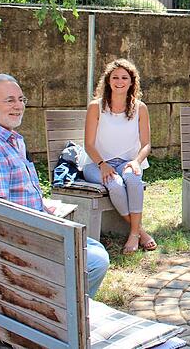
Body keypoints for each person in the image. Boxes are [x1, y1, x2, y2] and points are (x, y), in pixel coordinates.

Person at [0, 74, 109, 297]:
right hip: (12, 247)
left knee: (94, 248)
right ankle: (56, 320)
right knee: (95, 261)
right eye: (9, 100)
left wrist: (41, 209)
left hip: (24, 228)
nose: (18, 106)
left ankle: (61, 314)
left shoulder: (1, 136)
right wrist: (45, 226)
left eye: (21, 99)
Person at [83, 59, 155, 254]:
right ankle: (139, 232)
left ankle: (133, 235)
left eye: (125, 77)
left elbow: (146, 144)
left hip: (127, 162)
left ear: (132, 82)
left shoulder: (140, 108)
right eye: (115, 77)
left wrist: (136, 161)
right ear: (108, 81)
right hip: (96, 163)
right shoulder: (95, 107)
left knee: (133, 180)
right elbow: (88, 144)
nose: (119, 81)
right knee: (114, 184)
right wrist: (102, 164)